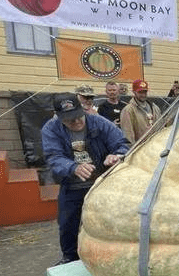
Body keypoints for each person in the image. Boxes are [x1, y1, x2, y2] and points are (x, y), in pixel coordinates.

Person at [42, 93, 129, 265]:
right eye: (70, 120)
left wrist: (116, 155)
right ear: (59, 117)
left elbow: (123, 144)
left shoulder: (100, 123)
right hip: (72, 186)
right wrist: (73, 167)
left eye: (78, 116)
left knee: (108, 223)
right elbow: (53, 157)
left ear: (83, 109)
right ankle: (70, 258)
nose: (76, 122)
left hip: (101, 185)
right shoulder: (51, 129)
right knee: (68, 224)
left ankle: (108, 259)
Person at [120, 79, 162, 145]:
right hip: (140, 150)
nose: (143, 95)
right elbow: (128, 135)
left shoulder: (154, 107)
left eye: (145, 92)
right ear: (134, 92)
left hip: (155, 147)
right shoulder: (128, 110)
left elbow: (160, 128)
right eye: (140, 92)